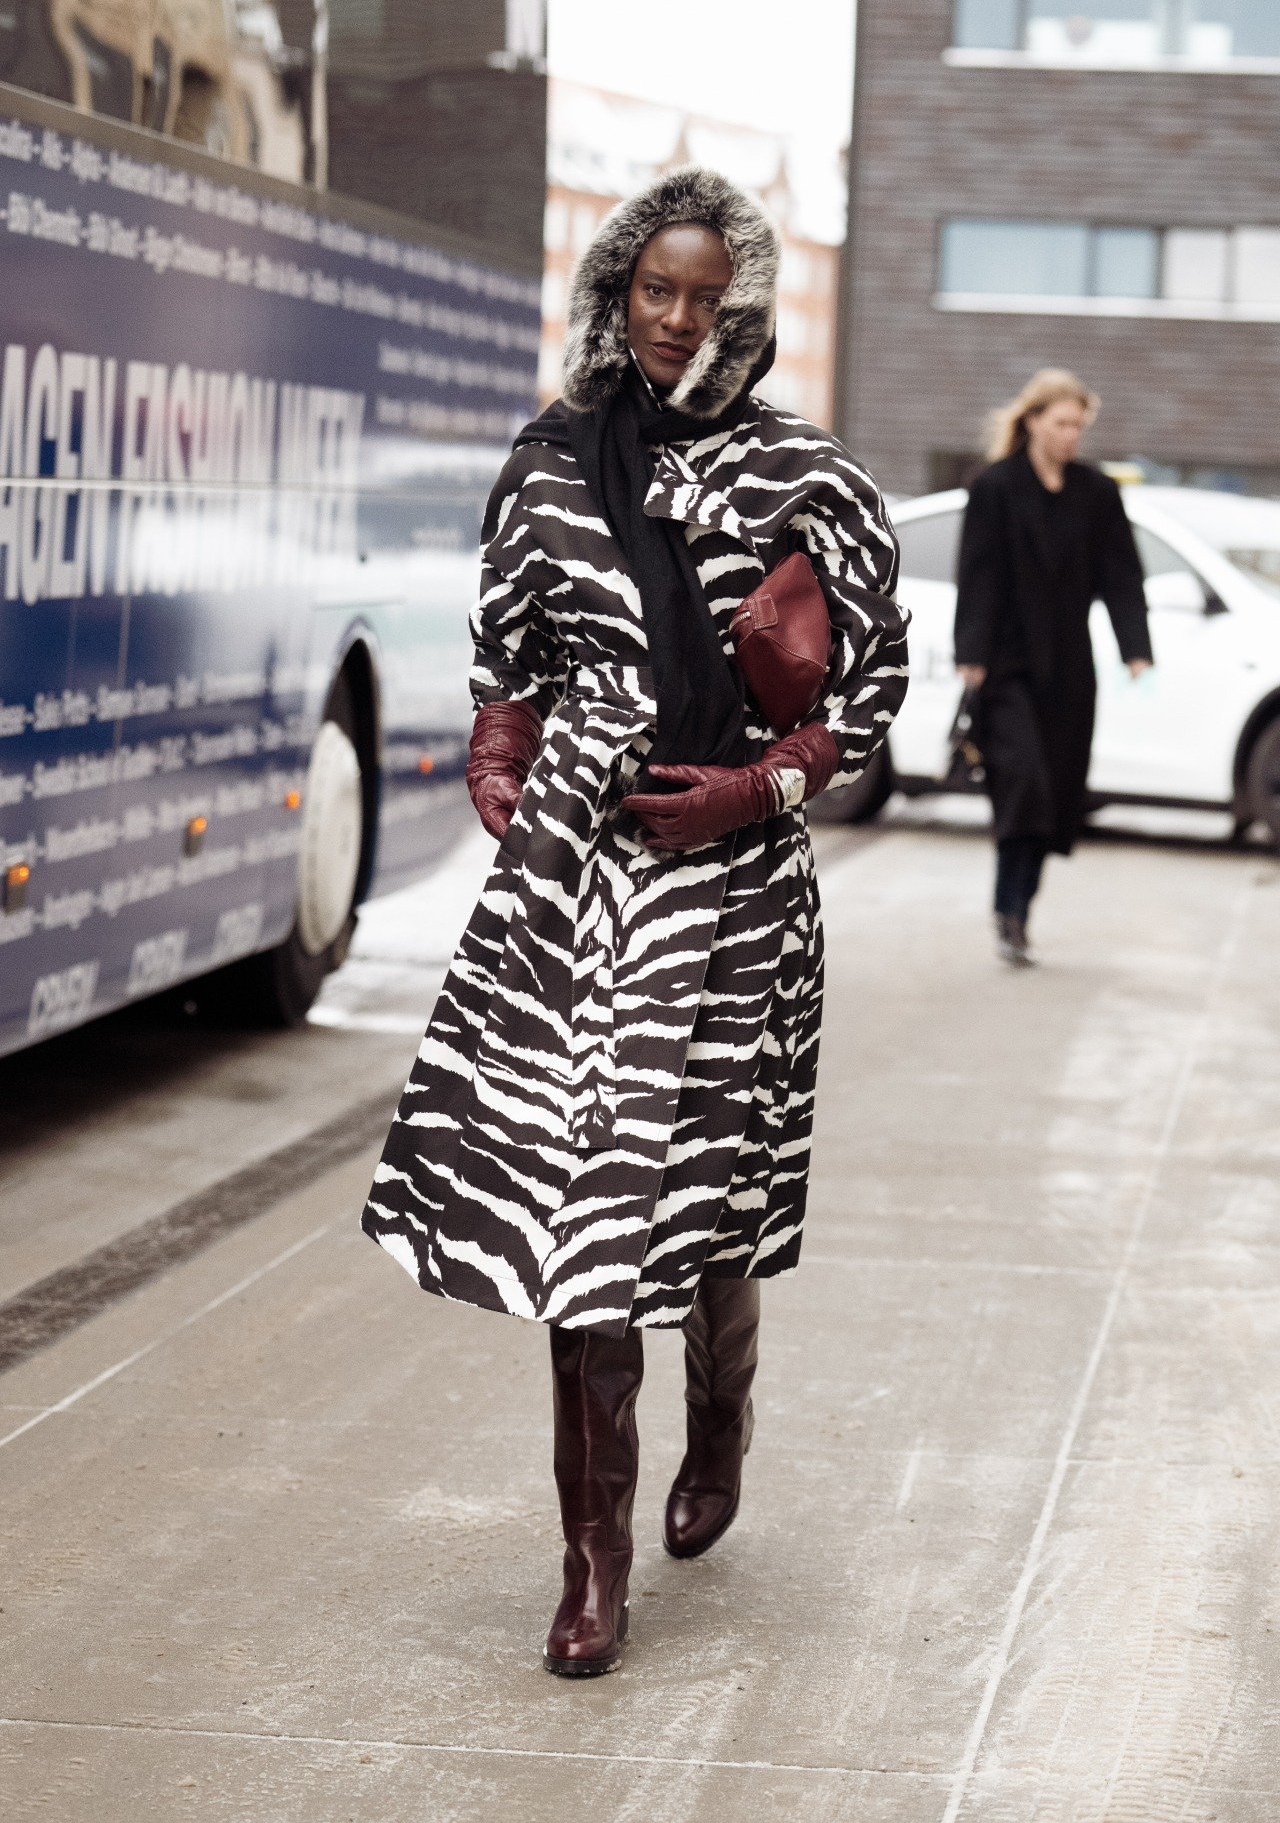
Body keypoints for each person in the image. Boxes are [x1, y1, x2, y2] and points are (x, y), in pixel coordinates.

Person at [362, 168, 909, 1676]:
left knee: (709, 1194)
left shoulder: (812, 482)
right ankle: (589, 1559)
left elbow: (866, 702)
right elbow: (508, 648)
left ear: (740, 306)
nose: (674, 321)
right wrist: (497, 746)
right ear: (618, 293)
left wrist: (754, 791)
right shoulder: (544, 462)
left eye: (703, 296)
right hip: (581, 884)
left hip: (735, 887)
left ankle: (721, 1413)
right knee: (578, 1211)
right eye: (652, 292)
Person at [954, 368, 1153, 966]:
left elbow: (1122, 572)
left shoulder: (1096, 491)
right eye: (1061, 422)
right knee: (1026, 783)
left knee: (1056, 794)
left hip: (1069, 667)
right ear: (1033, 419)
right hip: (1008, 665)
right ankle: (1007, 908)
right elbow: (978, 574)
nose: (1071, 435)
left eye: (1079, 425)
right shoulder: (994, 486)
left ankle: (1018, 913)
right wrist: (972, 654)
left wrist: (1134, 646)